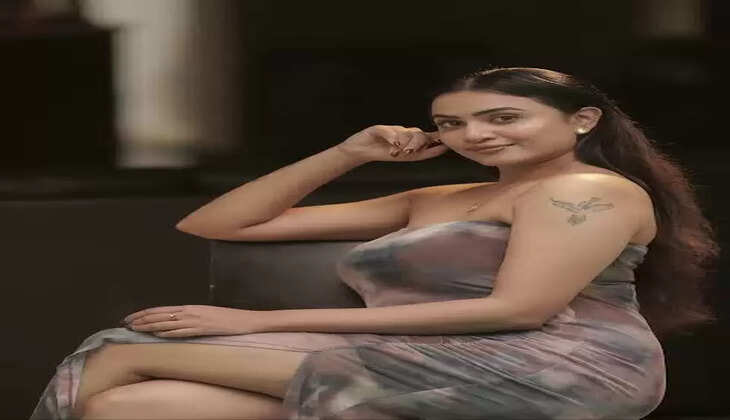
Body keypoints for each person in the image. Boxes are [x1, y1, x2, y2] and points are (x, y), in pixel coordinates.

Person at [31, 67, 720, 420]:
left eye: (503, 117)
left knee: (120, 354)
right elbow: (219, 223)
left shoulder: (588, 190)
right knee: (126, 406)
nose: (475, 136)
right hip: (412, 356)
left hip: (551, 364)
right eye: (451, 125)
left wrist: (255, 322)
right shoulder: (434, 198)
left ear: (583, 119)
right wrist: (348, 153)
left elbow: (516, 310)